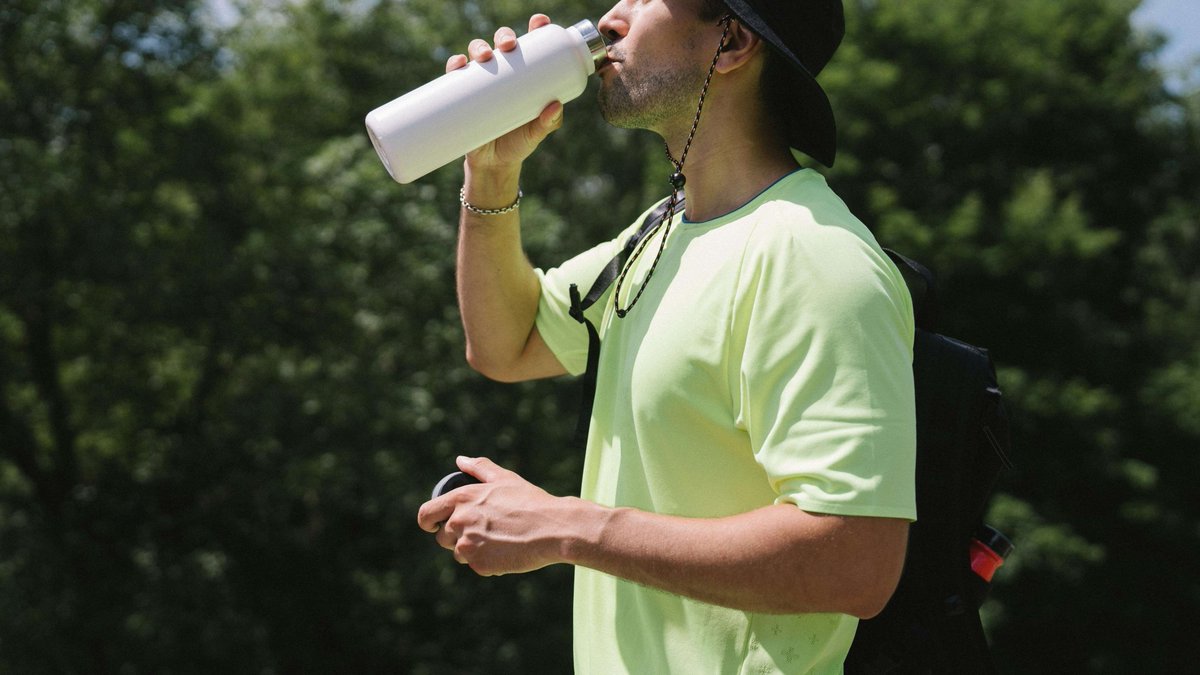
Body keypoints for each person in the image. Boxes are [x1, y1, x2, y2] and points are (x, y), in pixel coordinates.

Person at [416, 1, 918, 672]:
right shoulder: (662, 234)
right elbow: (505, 343)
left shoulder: (811, 257)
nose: (611, 17)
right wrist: (493, 171)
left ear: (732, 42)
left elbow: (855, 561)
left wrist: (565, 526)